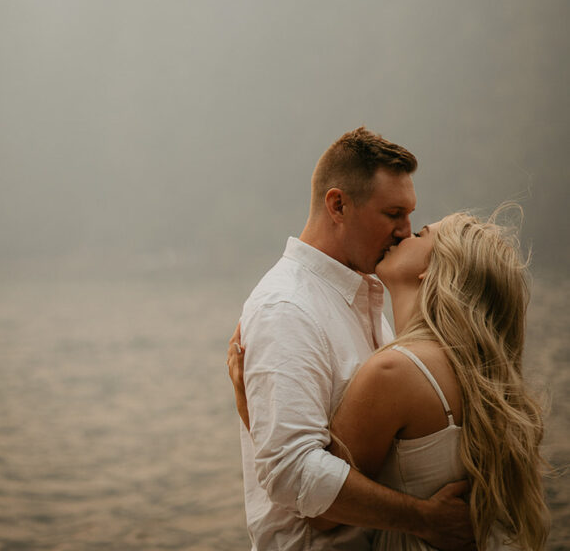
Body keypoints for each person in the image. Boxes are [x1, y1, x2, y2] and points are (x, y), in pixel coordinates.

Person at [229, 211, 548, 551]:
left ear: (432, 269)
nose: (405, 234)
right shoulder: (471, 369)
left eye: (421, 234)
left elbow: (318, 509)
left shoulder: (395, 372)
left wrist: (248, 402)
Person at [229, 127, 475, 551]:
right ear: (338, 205)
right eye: (393, 214)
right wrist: (424, 519)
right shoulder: (286, 308)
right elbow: (291, 470)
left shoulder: (364, 296)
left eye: (410, 215)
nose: (405, 230)